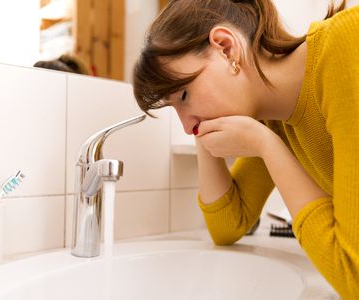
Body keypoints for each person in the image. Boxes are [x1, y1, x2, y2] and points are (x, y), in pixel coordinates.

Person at [132, 0, 359, 298]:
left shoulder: (346, 45)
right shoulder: (273, 118)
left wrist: (267, 146)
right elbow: (227, 226)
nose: (187, 128)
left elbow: (352, 276)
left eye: (184, 94)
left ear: (226, 48)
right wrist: (203, 124)